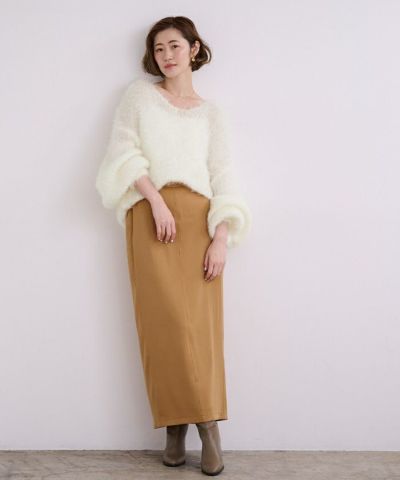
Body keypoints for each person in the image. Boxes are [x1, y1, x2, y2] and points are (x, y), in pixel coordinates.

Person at [95, 15, 252, 477]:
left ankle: (207, 427)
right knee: (161, 326)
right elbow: (123, 152)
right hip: (151, 217)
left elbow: (223, 174)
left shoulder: (211, 113)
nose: (166, 55)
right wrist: (156, 201)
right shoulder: (139, 96)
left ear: (194, 49)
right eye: (158, 48)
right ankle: (174, 427)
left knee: (200, 329)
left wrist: (221, 237)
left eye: (174, 46)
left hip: (201, 222)